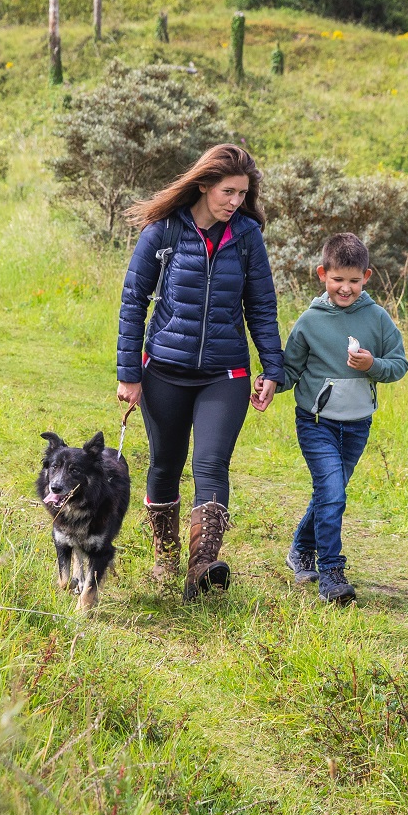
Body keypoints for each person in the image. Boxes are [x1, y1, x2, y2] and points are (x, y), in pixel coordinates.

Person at [116, 144, 286, 601]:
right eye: (228, 191)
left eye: (242, 193)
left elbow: (263, 308)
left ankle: (201, 569)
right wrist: (129, 372)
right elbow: (134, 303)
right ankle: (165, 557)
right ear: (204, 185)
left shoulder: (247, 235)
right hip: (163, 371)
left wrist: (274, 367)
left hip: (224, 373)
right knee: (165, 465)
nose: (235, 201)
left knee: (212, 465)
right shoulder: (163, 232)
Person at [271, 233, 408, 604]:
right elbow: (291, 370)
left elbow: (399, 365)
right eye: (337, 280)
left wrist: (373, 364)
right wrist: (268, 384)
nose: (345, 288)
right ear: (322, 274)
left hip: (358, 423)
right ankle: (331, 573)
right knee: (332, 494)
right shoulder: (310, 321)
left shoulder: (377, 319)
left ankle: (299, 549)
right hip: (316, 423)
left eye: (353, 280)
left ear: (367, 276)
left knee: (330, 494)